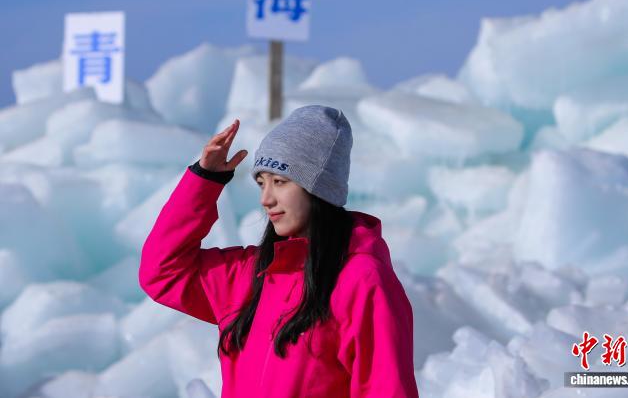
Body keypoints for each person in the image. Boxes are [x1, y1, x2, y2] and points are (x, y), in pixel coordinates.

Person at [139, 105, 419, 397]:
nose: (266, 198)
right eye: (262, 183)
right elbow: (162, 271)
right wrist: (205, 179)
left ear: (319, 188)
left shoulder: (361, 280)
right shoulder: (251, 274)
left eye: (280, 182)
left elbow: (386, 389)